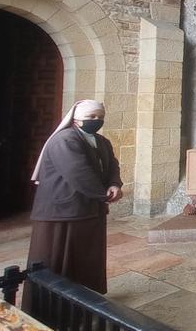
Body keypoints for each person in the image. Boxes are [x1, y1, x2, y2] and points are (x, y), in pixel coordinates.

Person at [23, 99, 123, 305]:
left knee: (85, 258)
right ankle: (51, 307)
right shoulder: (64, 140)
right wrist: (103, 195)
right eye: (91, 117)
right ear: (76, 119)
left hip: (89, 208)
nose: (96, 120)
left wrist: (115, 184)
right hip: (62, 210)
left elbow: (112, 165)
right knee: (56, 260)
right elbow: (78, 173)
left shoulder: (102, 141)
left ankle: (84, 301)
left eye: (99, 117)